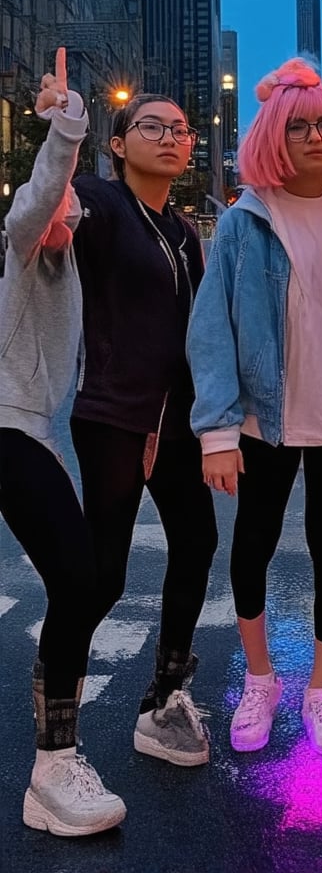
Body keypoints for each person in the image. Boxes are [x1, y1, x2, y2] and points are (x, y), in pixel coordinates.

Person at [187, 57, 322, 756]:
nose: (315, 136)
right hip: (264, 420)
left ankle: (320, 693)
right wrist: (215, 433)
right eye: (299, 126)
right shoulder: (246, 220)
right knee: (254, 546)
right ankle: (261, 680)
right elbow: (212, 331)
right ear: (274, 133)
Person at [70, 90, 218, 767]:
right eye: (149, 126)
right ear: (119, 144)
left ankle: (163, 696)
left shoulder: (186, 232)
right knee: (102, 574)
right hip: (114, 415)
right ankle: (55, 718)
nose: (168, 137)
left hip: (178, 419)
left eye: (180, 130)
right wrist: (58, 139)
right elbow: (53, 215)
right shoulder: (98, 205)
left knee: (198, 539)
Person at [0, 48, 126, 835]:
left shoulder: (66, 266)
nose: (61, 217)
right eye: (54, 208)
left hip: (39, 429)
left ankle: (51, 765)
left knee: (85, 582)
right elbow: (39, 194)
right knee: (81, 581)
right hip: (7, 422)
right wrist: (65, 124)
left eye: (71, 213)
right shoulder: (18, 242)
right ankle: (52, 767)